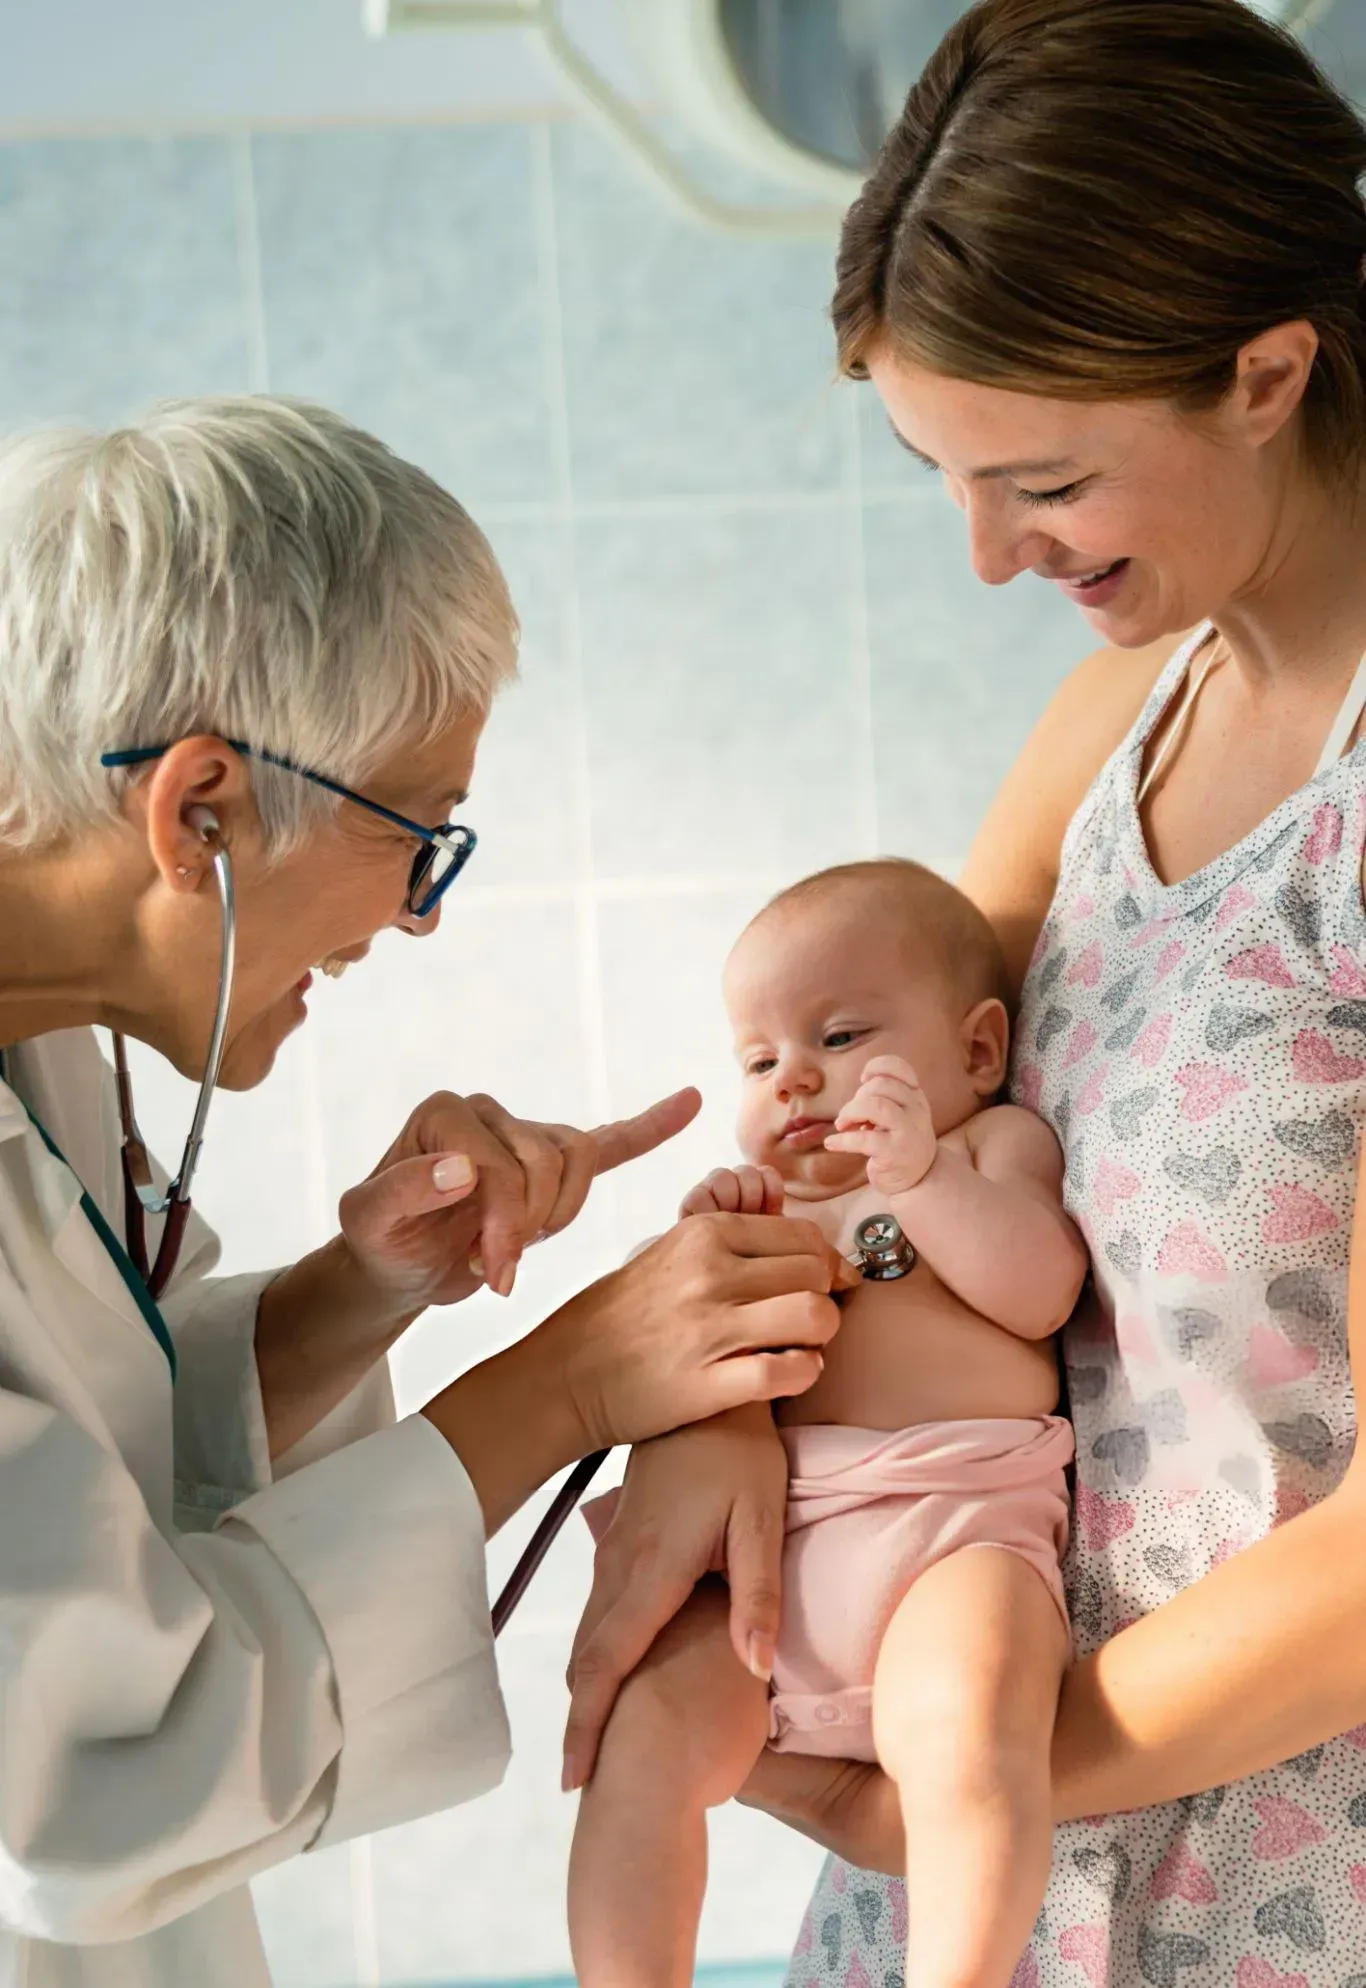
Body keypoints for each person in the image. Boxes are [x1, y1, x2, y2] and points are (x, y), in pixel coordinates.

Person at [563, 1, 1366, 1979]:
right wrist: (716, 1424)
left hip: (1254, 1886)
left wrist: (967, 1777)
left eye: (1037, 479)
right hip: (985, 1838)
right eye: (940, 473)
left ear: (1266, 373)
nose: (989, 557)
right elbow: (865, 1131)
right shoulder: (1118, 720)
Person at [0, 396, 852, 1988]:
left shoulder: (42, 1053)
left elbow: (83, 1483)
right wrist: (567, 1384)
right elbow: (82, 1779)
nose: (418, 917)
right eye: (420, 840)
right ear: (202, 812)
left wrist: (359, 1291)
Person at [567, 859, 1085, 1988]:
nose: (793, 1078)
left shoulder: (986, 1152)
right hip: (767, 1568)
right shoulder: (771, 1202)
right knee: (640, 1748)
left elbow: (1040, 1291)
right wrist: (700, 1258)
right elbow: (674, 1361)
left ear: (978, 1052)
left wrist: (921, 1183)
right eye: (758, 1060)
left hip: (955, 1536)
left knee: (971, 1736)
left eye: (840, 1035)